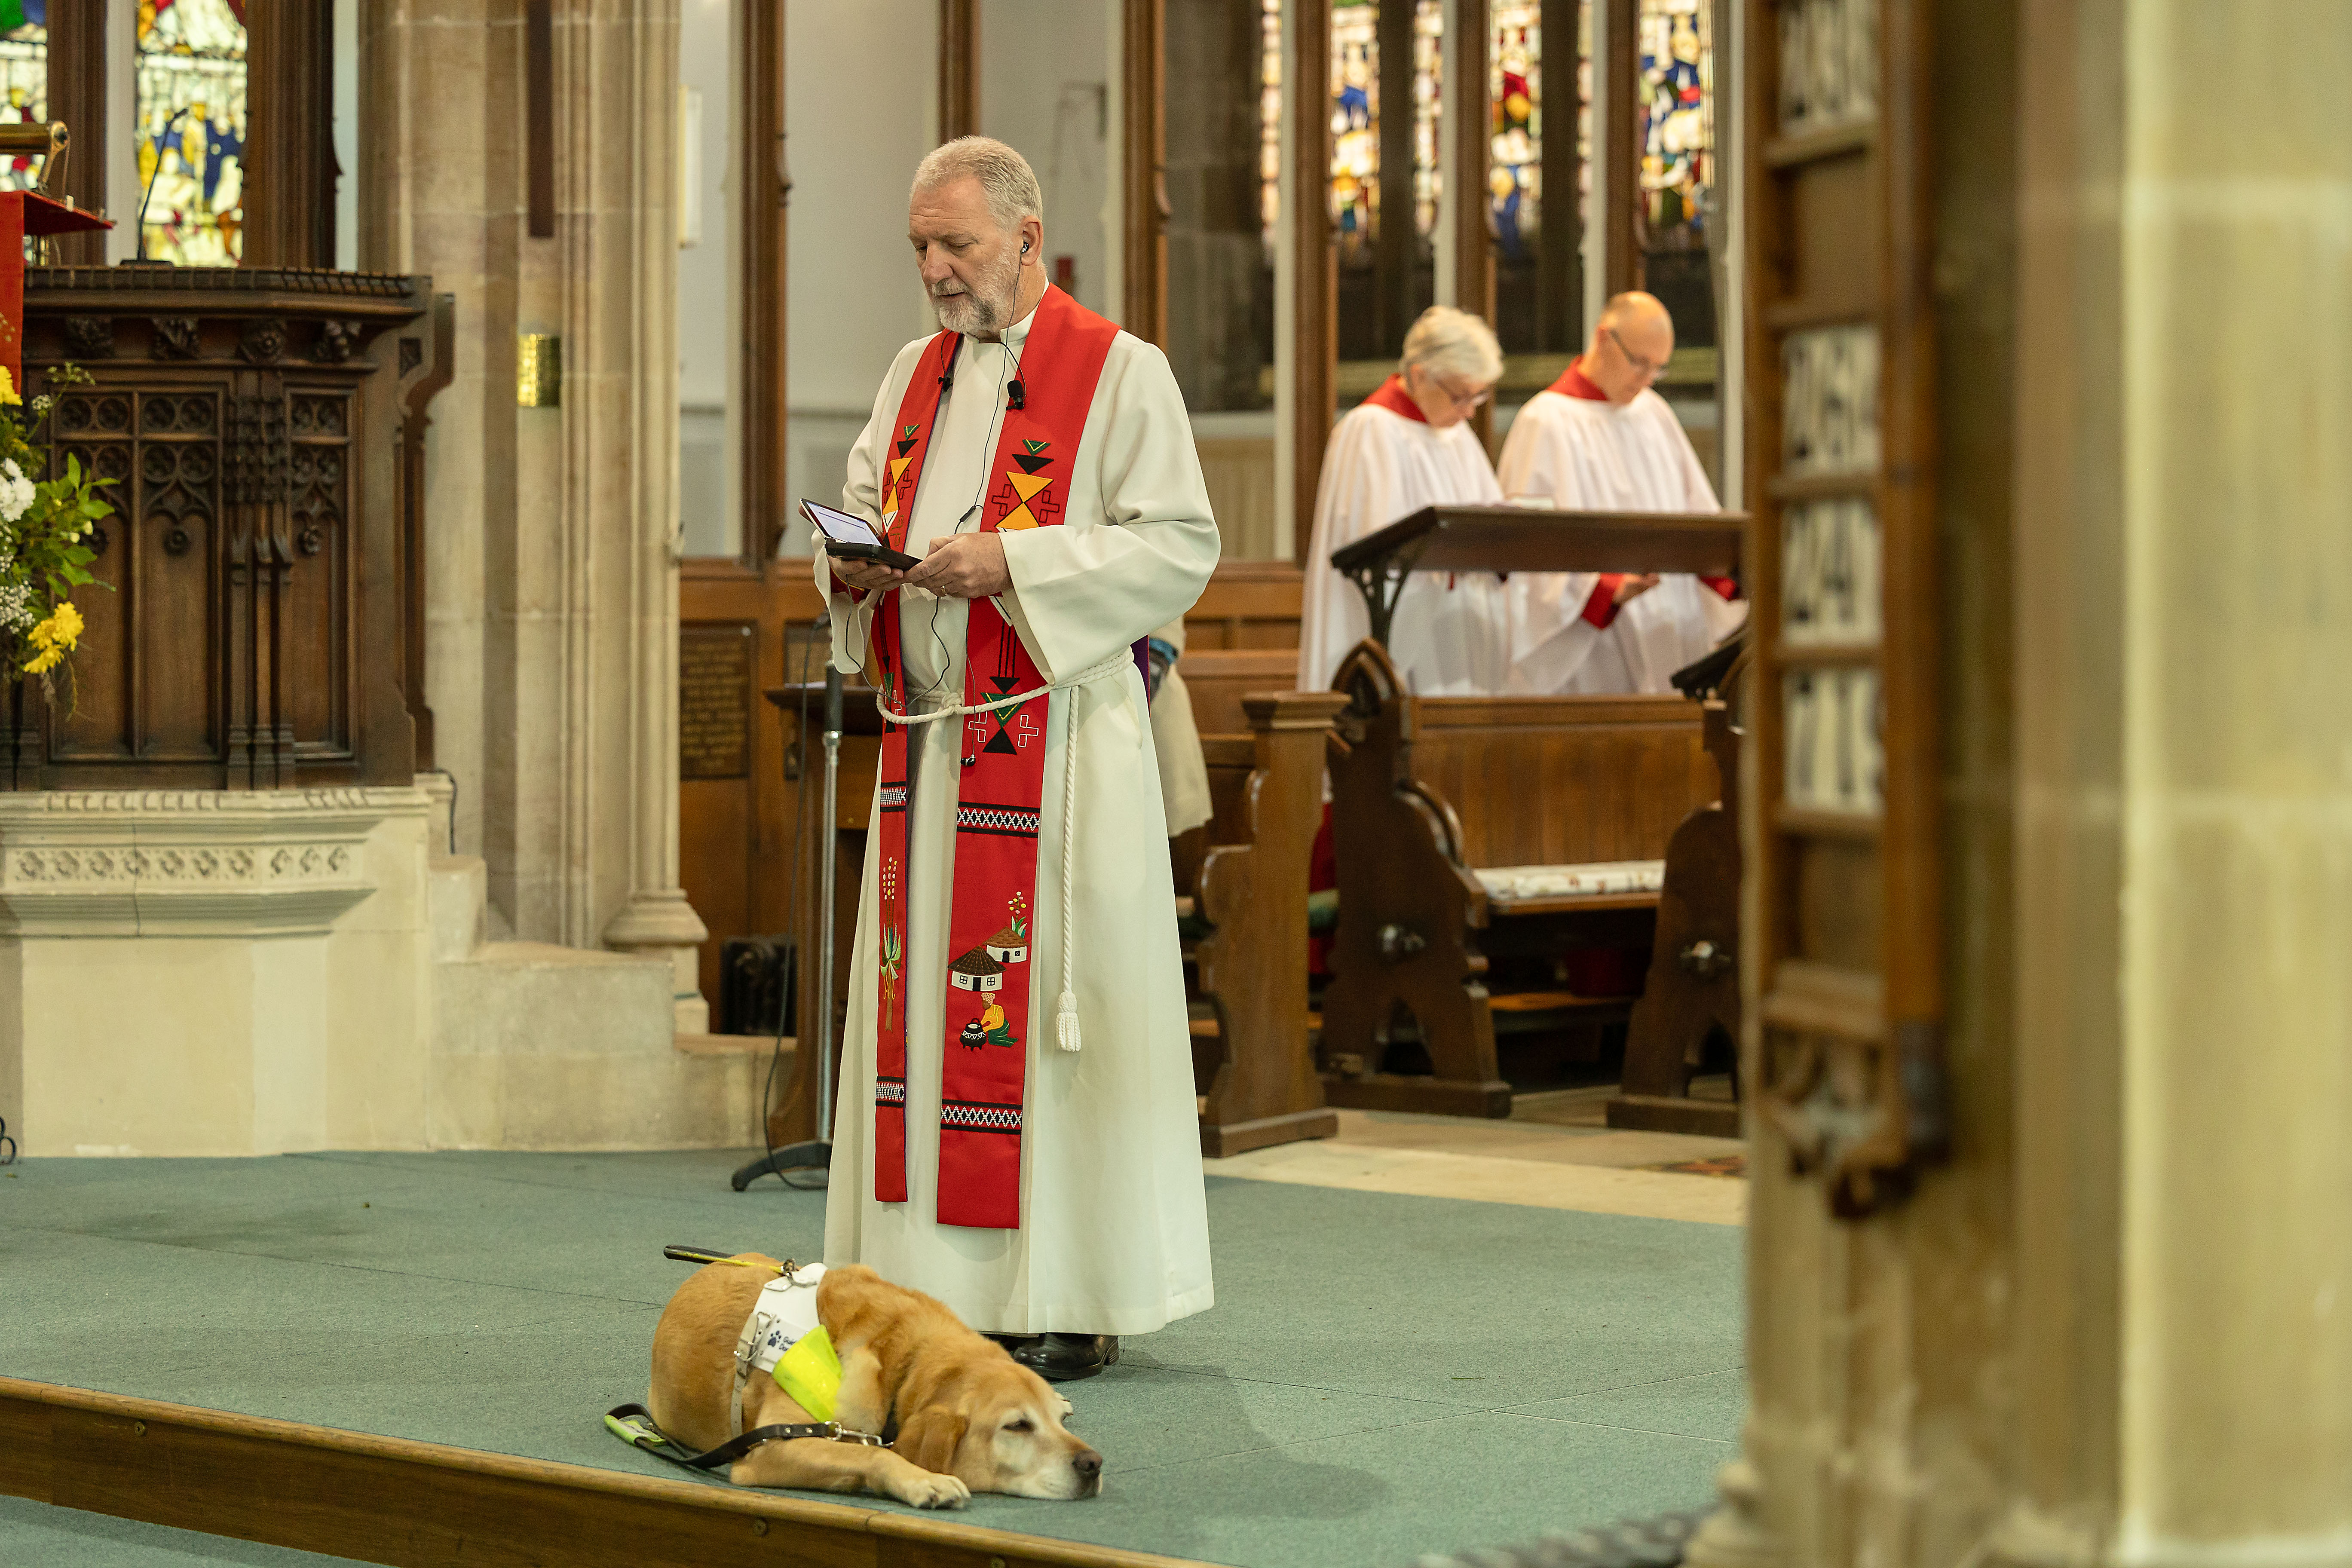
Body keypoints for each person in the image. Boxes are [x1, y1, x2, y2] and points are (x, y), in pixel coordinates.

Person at [816, 137, 1219, 1382]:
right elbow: (867, 498)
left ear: (1028, 238)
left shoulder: (1121, 371)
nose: (936, 272)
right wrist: (854, 566)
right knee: (917, 1027)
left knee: (1051, 1032)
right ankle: (922, 1280)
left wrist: (1017, 563)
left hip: (1058, 755)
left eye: (958, 247)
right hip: (931, 748)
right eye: (921, 250)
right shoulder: (910, 374)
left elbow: (1181, 546)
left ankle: (1064, 1288)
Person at [1495, 290, 1746, 692]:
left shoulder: (1654, 414)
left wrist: (1733, 575)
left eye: (1658, 369)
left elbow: (1697, 515)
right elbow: (1525, 546)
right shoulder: (1544, 423)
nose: (1646, 380)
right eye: (1639, 363)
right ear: (1603, 339)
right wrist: (1604, 590)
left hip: (1670, 627)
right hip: (1594, 647)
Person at [1296, 306, 1512, 694]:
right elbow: (1375, 545)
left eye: (1477, 398)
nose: (1467, 412)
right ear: (1419, 375)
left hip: (1455, 630)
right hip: (1403, 636)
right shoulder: (1371, 430)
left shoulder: (1456, 434)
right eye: (1460, 396)